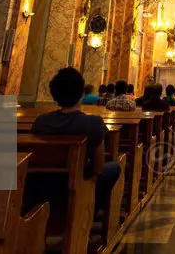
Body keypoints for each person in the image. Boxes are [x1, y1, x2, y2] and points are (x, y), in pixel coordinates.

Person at [30, 68, 121, 234]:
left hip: (40, 186)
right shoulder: (93, 123)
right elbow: (98, 168)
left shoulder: (40, 122)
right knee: (113, 167)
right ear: (81, 94)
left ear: (54, 95)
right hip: (76, 184)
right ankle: (87, 214)